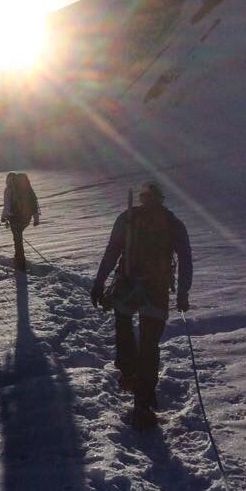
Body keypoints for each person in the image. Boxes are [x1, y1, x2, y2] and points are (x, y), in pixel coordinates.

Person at [90, 181, 192, 429]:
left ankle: (128, 373)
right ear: (161, 198)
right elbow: (186, 259)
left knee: (123, 329)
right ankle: (144, 399)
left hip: (126, 284)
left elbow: (112, 251)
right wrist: (182, 293)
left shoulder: (127, 217)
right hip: (156, 288)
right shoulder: (173, 222)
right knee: (149, 344)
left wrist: (99, 282)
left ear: (143, 197)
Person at [1, 172, 40, 272]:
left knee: (18, 241)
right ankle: (18, 260)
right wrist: (36, 219)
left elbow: (7, 206)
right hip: (26, 218)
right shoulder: (28, 189)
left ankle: (20, 264)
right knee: (18, 239)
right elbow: (34, 204)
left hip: (14, 219)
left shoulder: (9, 190)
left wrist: (4, 217)